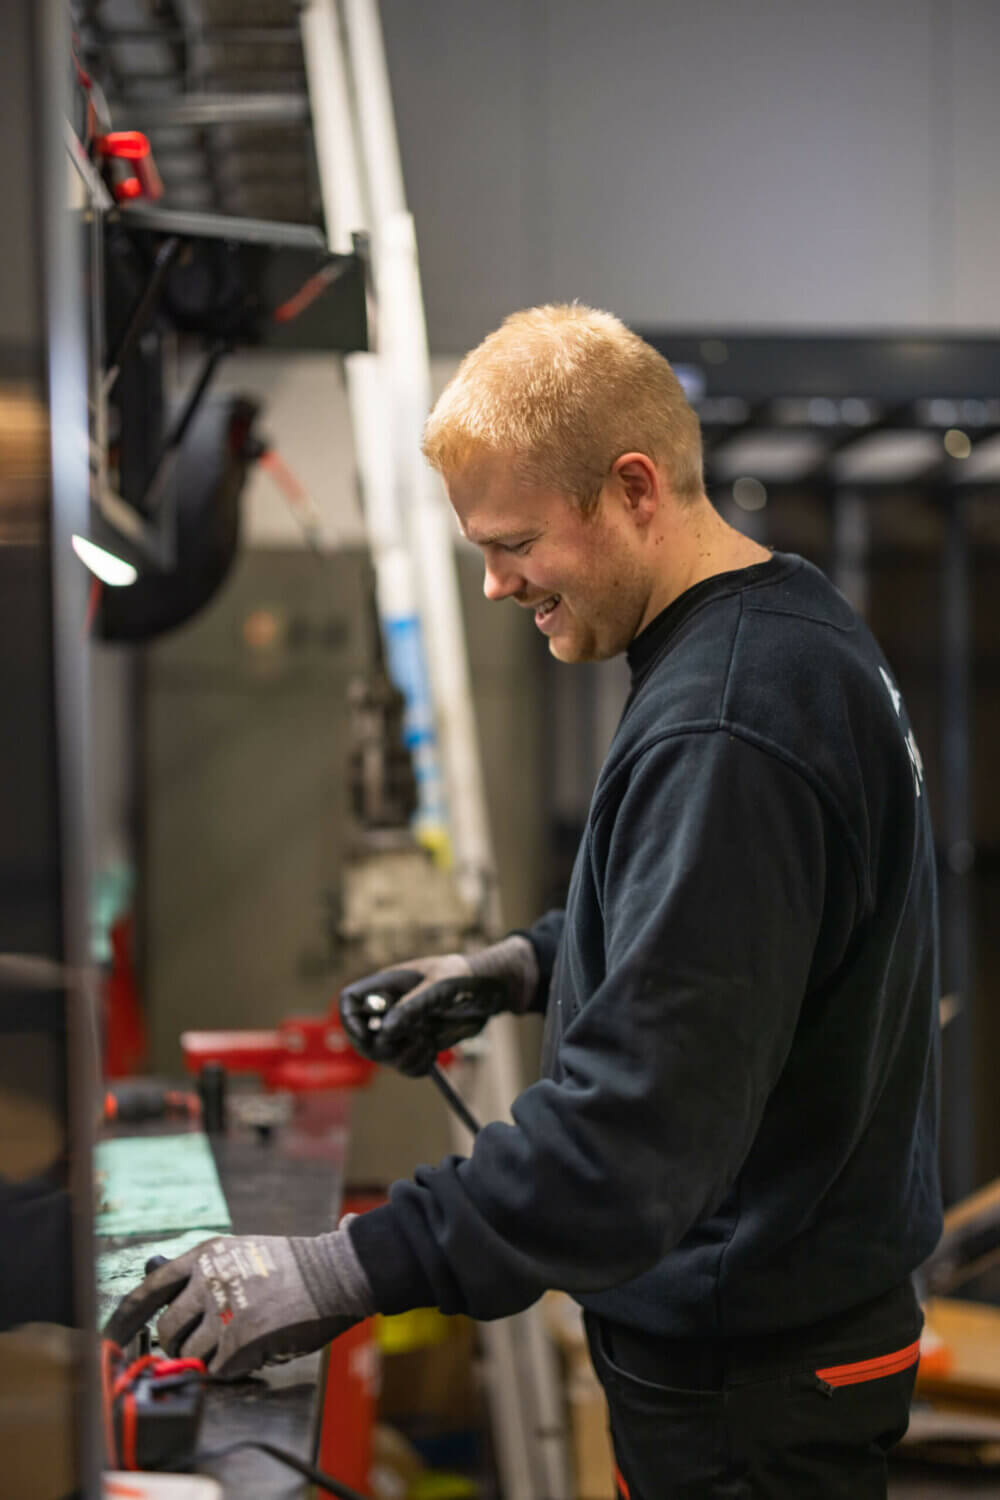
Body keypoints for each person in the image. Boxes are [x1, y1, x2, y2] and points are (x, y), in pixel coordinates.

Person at [108, 305, 943, 1498]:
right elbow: (742, 933)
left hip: (748, 1378)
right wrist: (518, 965)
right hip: (769, 1337)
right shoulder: (783, 636)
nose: (497, 585)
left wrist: (339, 1274)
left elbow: (619, 1150)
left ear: (634, 487)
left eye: (512, 544)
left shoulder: (729, 719)